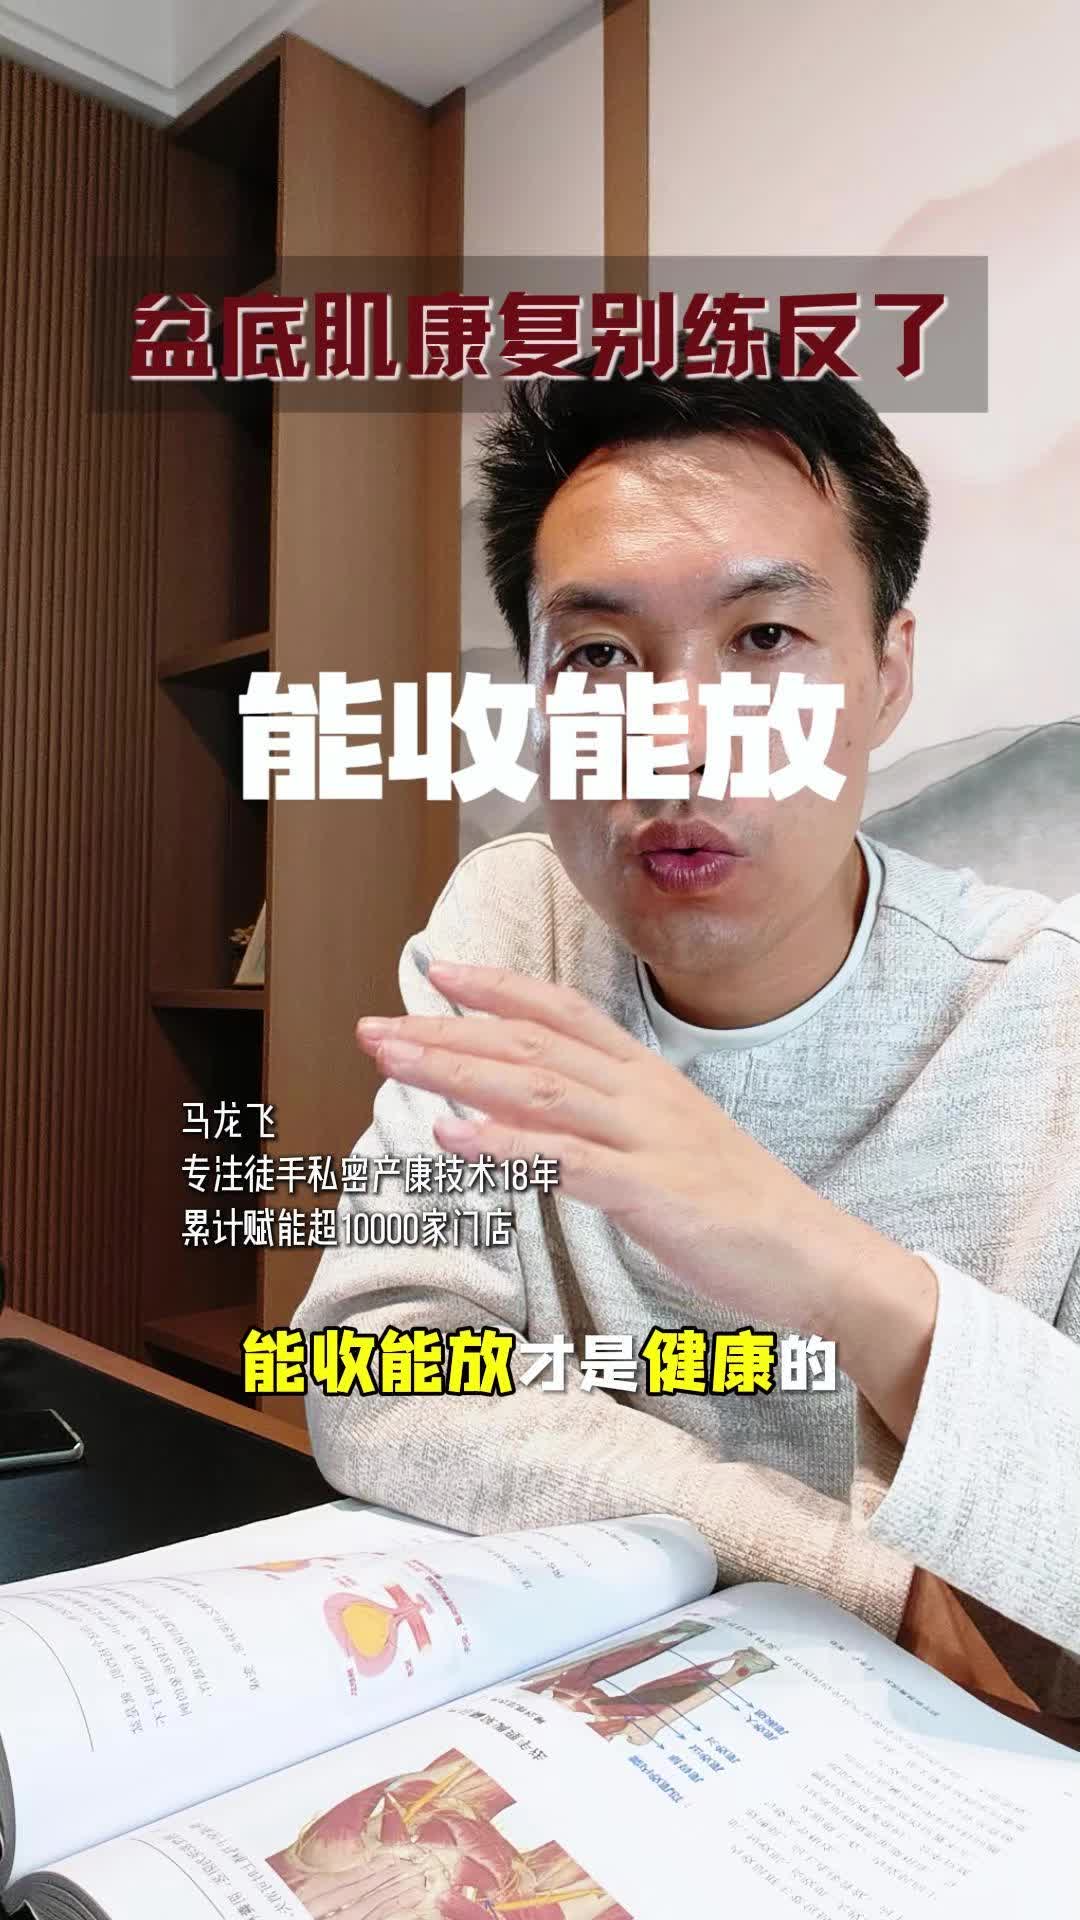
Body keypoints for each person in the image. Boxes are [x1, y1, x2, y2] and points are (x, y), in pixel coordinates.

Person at [294, 337, 1080, 1714]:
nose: (677, 736)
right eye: (599, 654)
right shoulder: (514, 929)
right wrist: (861, 1582)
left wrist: (817, 1262)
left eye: (765, 638)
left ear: (888, 673)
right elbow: (374, 1366)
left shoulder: (1047, 1017)